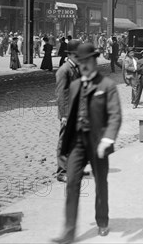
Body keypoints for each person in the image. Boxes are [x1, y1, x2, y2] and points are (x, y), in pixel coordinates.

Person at [53, 43, 122, 243]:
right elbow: (71, 113)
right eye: (81, 61)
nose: (83, 65)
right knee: (72, 182)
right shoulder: (74, 85)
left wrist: (107, 139)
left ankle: (102, 222)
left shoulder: (107, 86)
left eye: (87, 61)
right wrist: (66, 144)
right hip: (78, 143)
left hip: (98, 142)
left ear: (94, 61)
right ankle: (69, 231)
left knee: (101, 183)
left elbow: (115, 115)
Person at [55, 39, 81, 182]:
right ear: (70, 55)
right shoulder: (64, 70)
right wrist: (64, 115)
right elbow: (61, 95)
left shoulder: (75, 68)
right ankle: (61, 172)